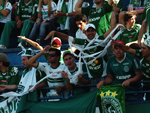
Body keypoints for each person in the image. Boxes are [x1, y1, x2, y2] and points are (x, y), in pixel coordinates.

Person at [45, 23, 123, 86]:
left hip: (104, 77)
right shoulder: (83, 43)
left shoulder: (100, 39)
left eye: (92, 30)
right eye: (88, 31)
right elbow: (68, 38)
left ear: (95, 31)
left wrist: (116, 26)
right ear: (85, 33)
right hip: (91, 78)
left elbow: (107, 34)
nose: (90, 32)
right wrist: (56, 33)